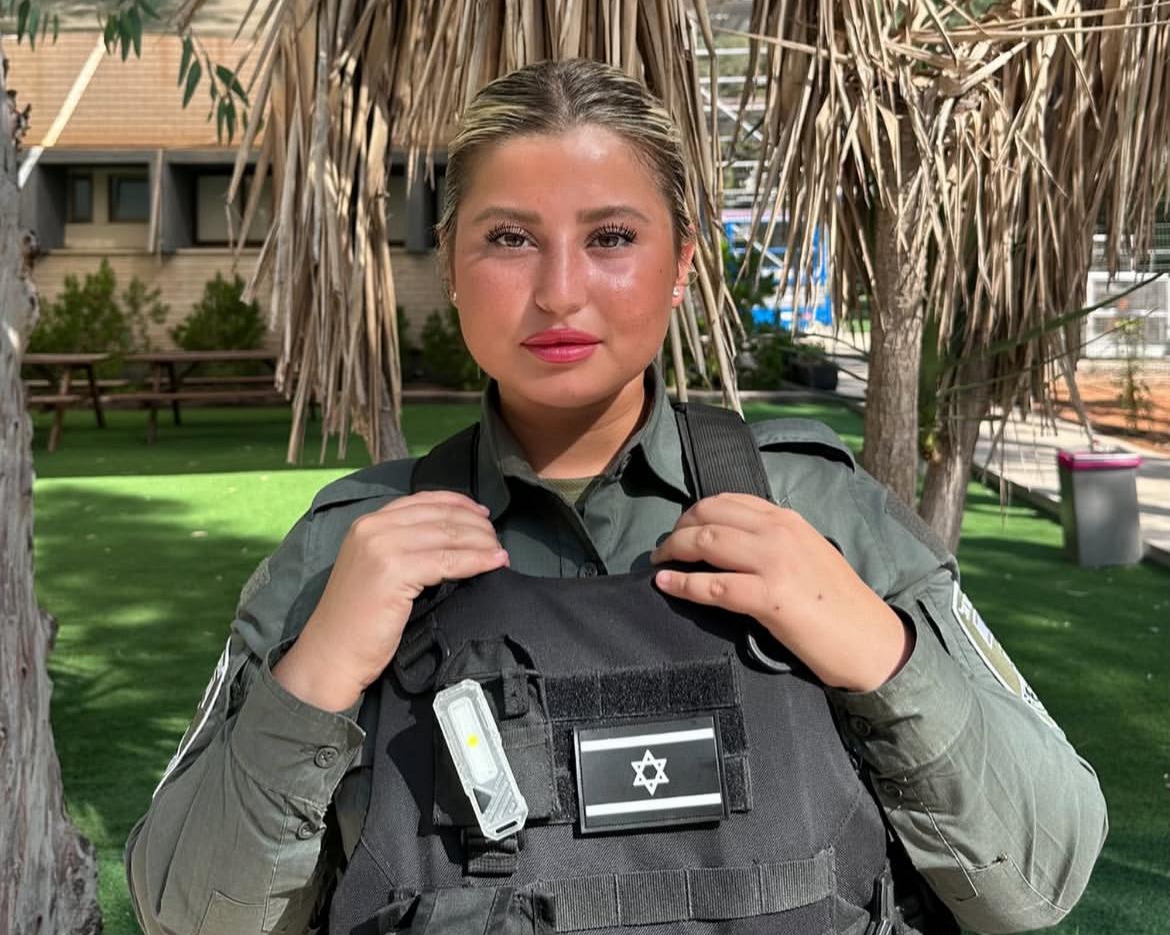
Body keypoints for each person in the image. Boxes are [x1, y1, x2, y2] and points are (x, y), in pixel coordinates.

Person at [126, 59, 1106, 935]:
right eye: (510, 238)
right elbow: (189, 914)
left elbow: (1041, 879)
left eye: (611, 237)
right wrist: (316, 677)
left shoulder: (824, 515)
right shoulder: (349, 552)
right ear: (452, 266)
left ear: (682, 264)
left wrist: (881, 654)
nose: (560, 291)